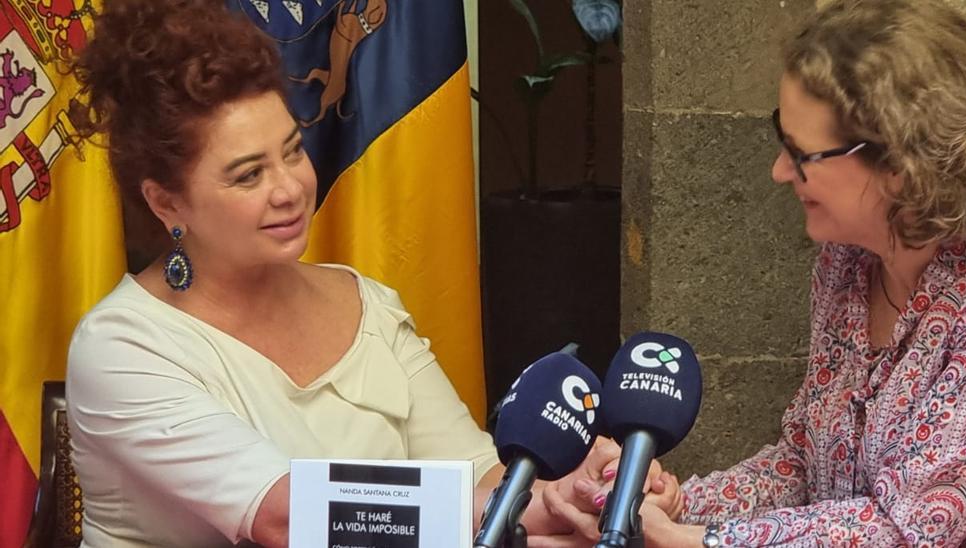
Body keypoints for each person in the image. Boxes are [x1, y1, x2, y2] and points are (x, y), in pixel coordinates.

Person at [544, 0, 966, 546]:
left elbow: (907, 528)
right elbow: (805, 464)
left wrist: (697, 543)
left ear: (901, 165)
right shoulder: (847, 264)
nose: (781, 172)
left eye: (801, 152)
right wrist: (660, 503)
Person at [63, 1, 659, 546]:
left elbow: (478, 473)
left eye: (293, 151)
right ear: (166, 203)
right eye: (248, 175)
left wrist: (574, 487)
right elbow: (288, 516)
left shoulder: (364, 300)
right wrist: (530, 509)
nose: (290, 188)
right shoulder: (121, 346)